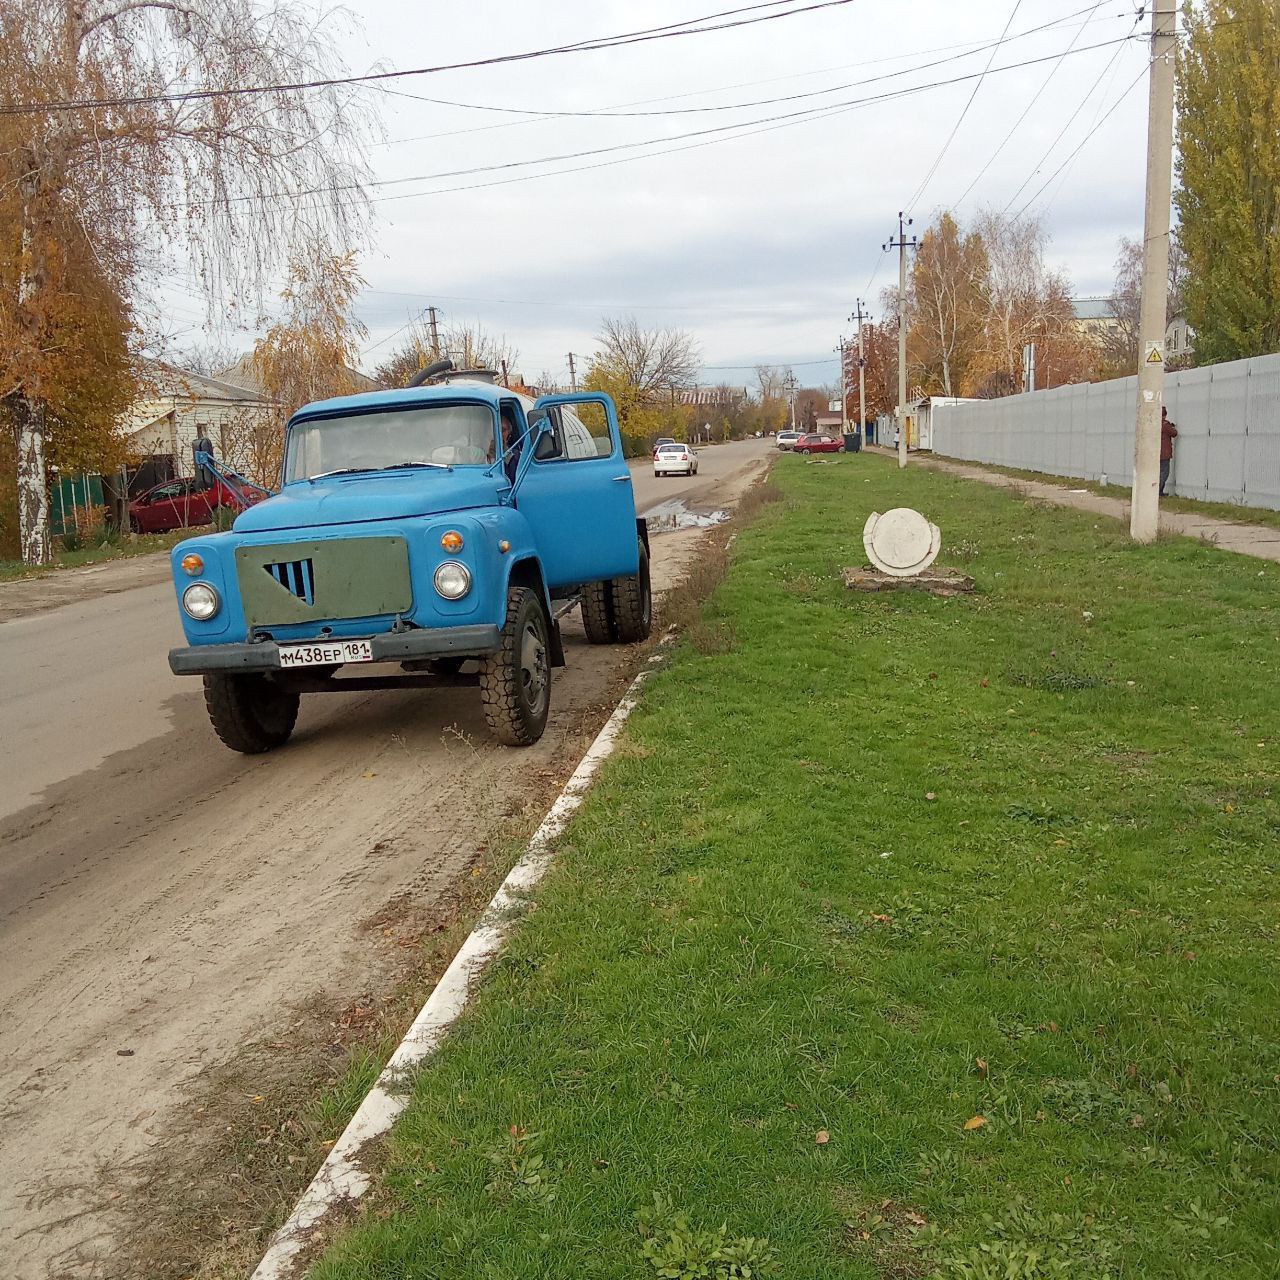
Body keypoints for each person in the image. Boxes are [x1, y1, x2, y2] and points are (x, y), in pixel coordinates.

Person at [1160, 406, 1178, 497]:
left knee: (1159, 472)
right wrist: (1172, 427)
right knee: (1165, 472)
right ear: (1165, 415)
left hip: (1156, 453)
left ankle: (1158, 491)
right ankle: (1159, 491)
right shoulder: (1165, 425)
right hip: (1164, 453)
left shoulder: (1154, 424)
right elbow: (1174, 433)